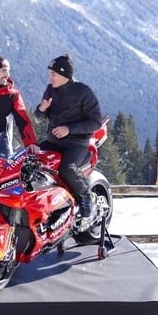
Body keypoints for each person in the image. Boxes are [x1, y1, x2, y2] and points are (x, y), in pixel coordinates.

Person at [34, 54, 103, 222]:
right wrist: (42, 109)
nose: (49, 78)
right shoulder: (51, 89)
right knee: (29, 160)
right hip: (53, 142)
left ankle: (86, 197)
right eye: (49, 73)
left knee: (67, 168)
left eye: (53, 74)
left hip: (76, 144)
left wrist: (69, 129)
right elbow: (37, 117)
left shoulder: (83, 92)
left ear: (64, 74)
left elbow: (96, 122)